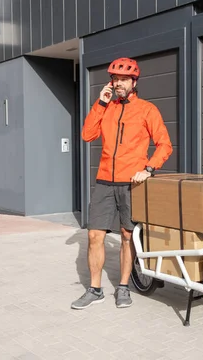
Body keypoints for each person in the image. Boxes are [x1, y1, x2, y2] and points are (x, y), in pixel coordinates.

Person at [71, 57, 173, 310]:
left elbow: (164, 145)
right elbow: (87, 134)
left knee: (127, 236)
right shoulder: (106, 107)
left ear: (133, 82)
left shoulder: (147, 110)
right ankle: (95, 290)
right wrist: (100, 102)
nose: (118, 84)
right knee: (95, 235)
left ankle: (124, 286)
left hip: (131, 182)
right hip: (105, 180)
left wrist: (148, 168)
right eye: (115, 79)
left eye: (123, 80)